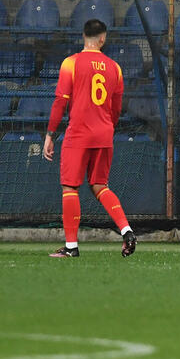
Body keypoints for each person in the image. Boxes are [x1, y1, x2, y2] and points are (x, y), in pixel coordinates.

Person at [43, 19, 136, 258]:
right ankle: (126, 230)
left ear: (84, 36)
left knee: (70, 187)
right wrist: (107, 128)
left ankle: (71, 247)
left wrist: (50, 134)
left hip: (79, 133)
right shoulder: (115, 68)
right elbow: (116, 109)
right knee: (100, 186)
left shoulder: (71, 63)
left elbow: (60, 101)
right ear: (103, 38)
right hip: (104, 133)